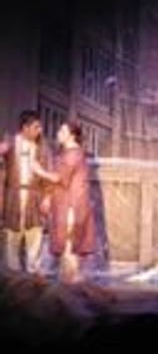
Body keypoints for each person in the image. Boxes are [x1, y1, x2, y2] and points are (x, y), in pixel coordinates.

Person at [32, 121, 96, 283]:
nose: (58, 133)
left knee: (69, 248)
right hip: (65, 205)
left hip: (71, 208)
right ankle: (69, 285)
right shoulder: (67, 152)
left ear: (71, 135)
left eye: (62, 131)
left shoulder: (72, 154)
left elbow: (60, 178)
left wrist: (39, 171)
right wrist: (48, 197)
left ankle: (71, 289)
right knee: (66, 250)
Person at [0, 110, 51, 274]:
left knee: (35, 233)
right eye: (36, 127)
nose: (40, 130)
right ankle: (13, 274)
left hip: (34, 196)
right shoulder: (10, 143)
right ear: (25, 128)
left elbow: (48, 173)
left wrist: (47, 197)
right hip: (13, 196)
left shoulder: (42, 147)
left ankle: (33, 272)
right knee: (12, 235)